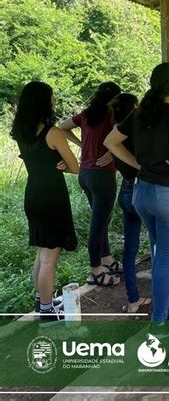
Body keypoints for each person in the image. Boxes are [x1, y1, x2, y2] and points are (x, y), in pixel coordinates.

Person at [104, 62, 169, 324]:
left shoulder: (139, 114)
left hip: (141, 194)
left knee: (161, 256)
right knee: (167, 260)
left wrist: (138, 164)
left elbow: (110, 141)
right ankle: (160, 324)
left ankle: (163, 313)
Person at [11, 81, 79, 325]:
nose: (54, 101)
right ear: (43, 102)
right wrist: (64, 166)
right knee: (50, 257)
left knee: (42, 252)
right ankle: (47, 313)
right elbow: (75, 166)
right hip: (52, 196)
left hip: (33, 194)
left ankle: (42, 301)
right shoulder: (53, 133)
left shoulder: (22, 131)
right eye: (51, 97)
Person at [60, 82, 122, 287]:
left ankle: (107, 259)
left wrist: (80, 143)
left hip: (85, 174)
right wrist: (112, 153)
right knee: (98, 224)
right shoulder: (112, 115)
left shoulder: (86, 114)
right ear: (115, 98)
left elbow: (62, 127)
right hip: (102, 176)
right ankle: (95, 270)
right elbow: (123, 140)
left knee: (101, 218)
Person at [109, 93, 152, 313]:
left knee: (130, 249)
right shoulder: (137, 131)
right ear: (134, 108)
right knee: (163, 240)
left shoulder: (115, 132)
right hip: (144, 190)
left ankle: (133, 299)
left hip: (125, 191)